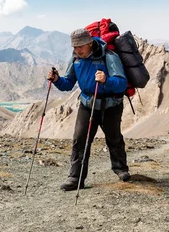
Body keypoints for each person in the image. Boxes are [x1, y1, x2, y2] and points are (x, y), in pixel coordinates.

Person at [48, 28, 131, 191]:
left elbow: (121, 82)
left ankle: (121, 169)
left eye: (80, 47)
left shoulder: (109, 56)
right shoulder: (75, 59)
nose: (77, 50)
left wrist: (106, 80)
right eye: (74, 47)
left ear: (90, 43)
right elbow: (68, 84)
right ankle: (75, 179)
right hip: (87, 104)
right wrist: (57, 79)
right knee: (80, 140)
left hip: (111, 106)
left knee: (113, 138)